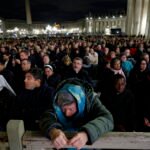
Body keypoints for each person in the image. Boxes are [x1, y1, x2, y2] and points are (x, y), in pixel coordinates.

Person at [40, 78, 114, 149]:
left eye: (70, 109)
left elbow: (107, 118)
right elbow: (46, 117)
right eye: (63, 109)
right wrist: (53, 131)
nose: (67, 114)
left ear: (79, 102)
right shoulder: (56, 100)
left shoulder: (90, 100)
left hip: (90, 144)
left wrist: (87, 134)